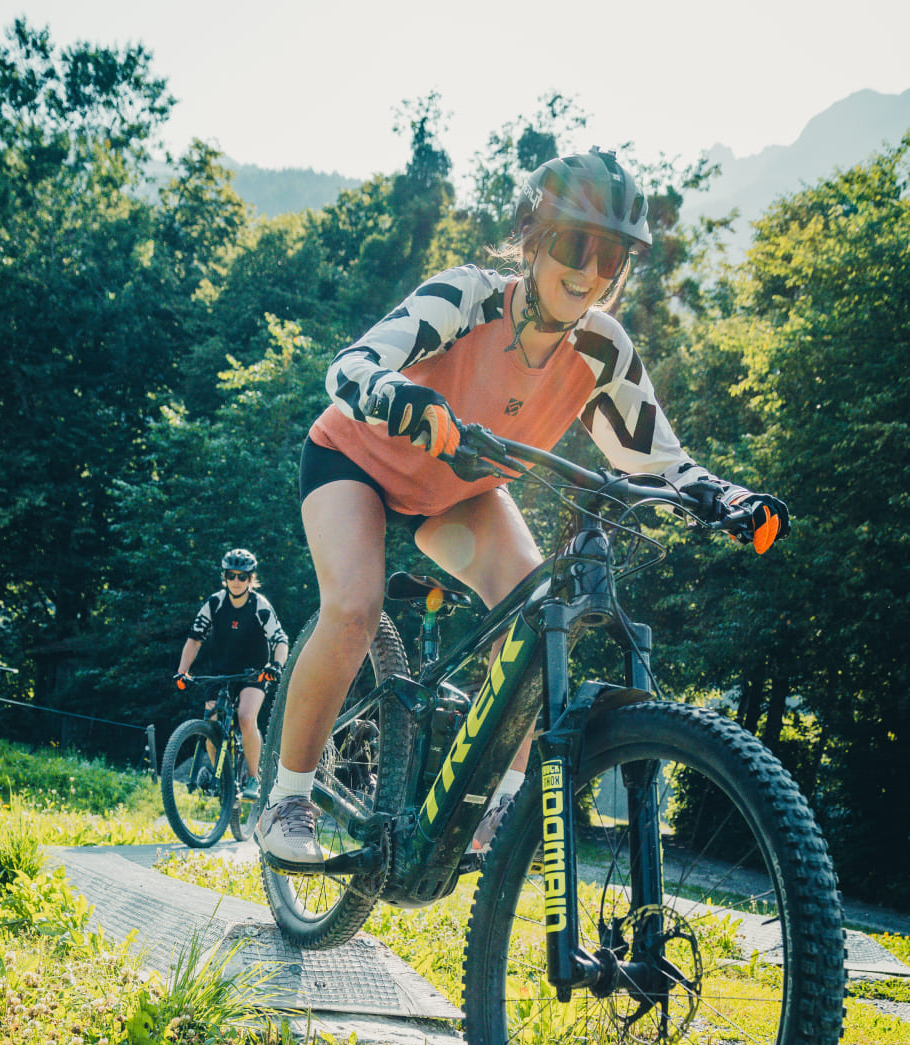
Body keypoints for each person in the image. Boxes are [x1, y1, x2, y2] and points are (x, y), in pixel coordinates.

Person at [255, 148, 789, 867]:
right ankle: (288, 798)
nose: (591, 270)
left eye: (612, 256)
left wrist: (725, 496)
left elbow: (654, 454)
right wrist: (403, 395)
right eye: (575, 243)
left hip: (459, 490)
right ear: (534, 240)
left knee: (544, 611)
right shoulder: (468, 298)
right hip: (357, 461)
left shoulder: (602, 347)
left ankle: (502, 807)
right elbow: (349, 367)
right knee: (353, 604)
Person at [175, 547, 288, 794]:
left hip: (254, 674)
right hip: (220, 673)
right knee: (211, 726)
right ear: (225, 577)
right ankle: (223, 780)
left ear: (251, 579)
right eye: (231, 575)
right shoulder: (214, 603)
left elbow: (280, 640)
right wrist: (182, 671)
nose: (236, 581)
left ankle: (252, 778)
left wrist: (276, 666)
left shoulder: (260, 605)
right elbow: (194, 640)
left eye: (242, 576)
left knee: (246, 717)